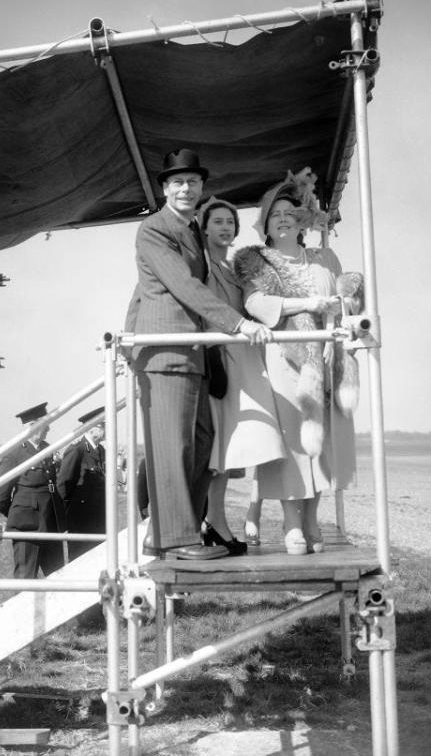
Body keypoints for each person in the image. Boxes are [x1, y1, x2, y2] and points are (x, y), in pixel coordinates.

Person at [124, 148, 272, 560]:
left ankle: (178, 529)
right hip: (166, 352)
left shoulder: (191, 232)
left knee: (202, 443)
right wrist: (239, 324)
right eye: (177, 182)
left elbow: (143, 290)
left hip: (194, 354)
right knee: (173, 447)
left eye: (192, 182)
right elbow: (182, 286)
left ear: (202, 187)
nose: (185, 188)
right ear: (165, 189)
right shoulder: (154, 229)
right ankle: (174, 539)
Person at [233, 169, 360, 555]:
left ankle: (312, 519)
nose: (284, 218)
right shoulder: (260, 264)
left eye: (290, 211)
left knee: (322, 443)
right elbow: (256, 304)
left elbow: (344, 302)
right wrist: (303, 304)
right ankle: (291, 524)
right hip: (284, 361)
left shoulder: (324, 258)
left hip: (325, 358)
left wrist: (335, 325)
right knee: (292, 443)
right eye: (275, 214)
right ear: (265, 226)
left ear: (301, 221)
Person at [198, 198, 288, 555]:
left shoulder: (233, 266)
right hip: (218, 356)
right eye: (217, 221)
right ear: (203, 227)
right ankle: (213, 523)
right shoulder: (201, 262)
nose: (224, 227)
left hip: (243, 357)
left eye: (229, 222)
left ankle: (215, 522)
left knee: (231, 449)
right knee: (219, 448)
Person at [0, 402, 65, 579]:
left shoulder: (46, 449)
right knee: (25, 580)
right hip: (27, 528)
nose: (49, 428)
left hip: (50, 525)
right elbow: (1, 496)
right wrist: (20, 513)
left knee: (58, 578)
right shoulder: (15, 454)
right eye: (46, 424)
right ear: (34, 426)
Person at [57, 407, 107, 561]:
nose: (107, 429)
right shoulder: (76, 450)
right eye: (103, 425)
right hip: (80, 521)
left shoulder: (101, 451)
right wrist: (66, 519)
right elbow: (63, 486)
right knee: (80, 562)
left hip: (99, 519)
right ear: (92, 428)